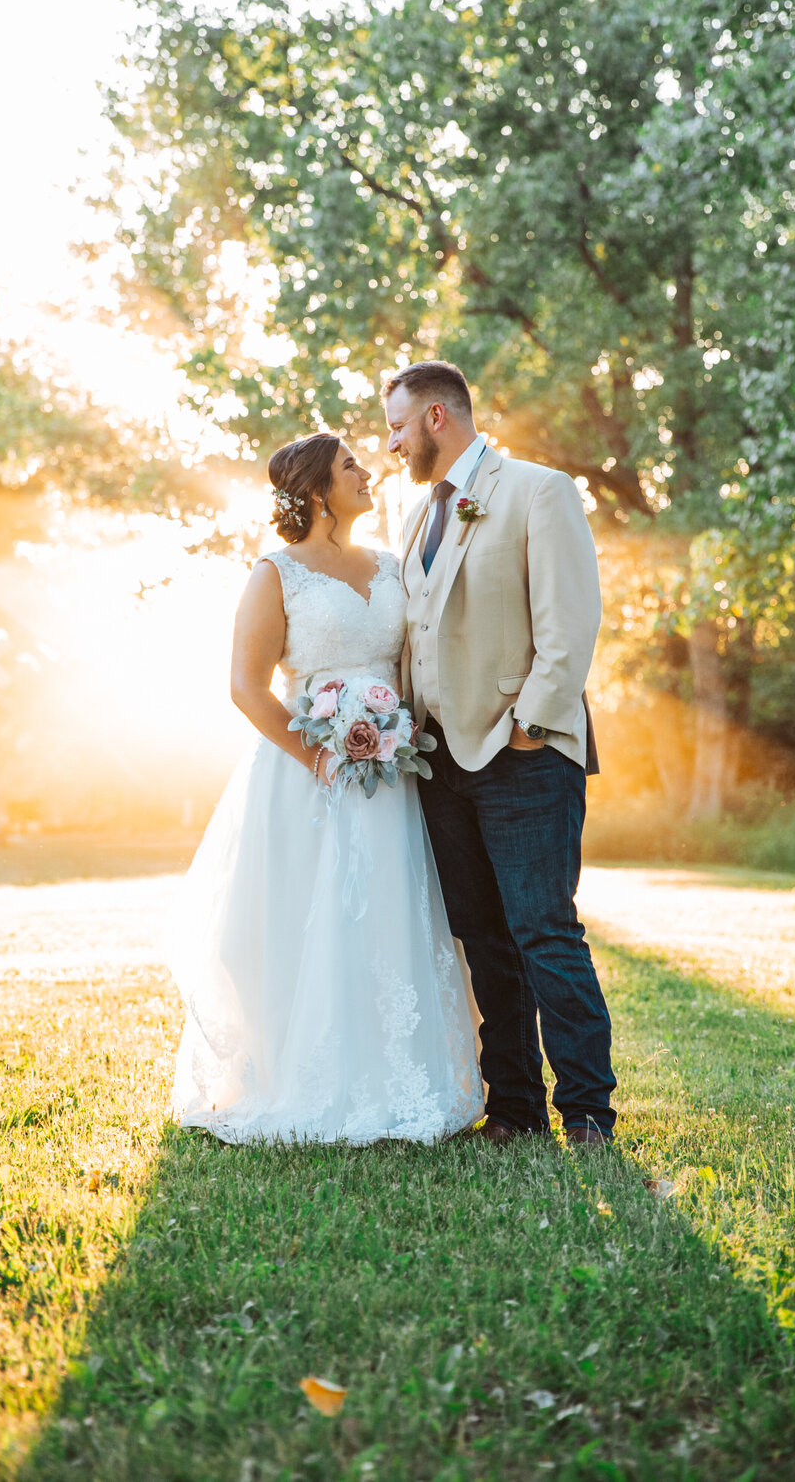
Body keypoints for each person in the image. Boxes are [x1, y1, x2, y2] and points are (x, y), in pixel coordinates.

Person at [167, 431, 483, 1144]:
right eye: (350, 466)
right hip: (305, 775)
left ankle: (402, 1075)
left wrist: (389, 732)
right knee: (307, 921)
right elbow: (246, 688)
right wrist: (319, 753)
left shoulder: (394, 565)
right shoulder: (275, 573)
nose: (368, 472)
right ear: (316, 491)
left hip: (394, 774)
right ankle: (298, 1078)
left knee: (393, 914)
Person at [384, 360, 615, 1148]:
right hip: (439, 762)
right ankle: (514, 1107)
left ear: (437, 418)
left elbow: (570, 625)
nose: (390, 442)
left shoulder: (538, 490)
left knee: (544, 930)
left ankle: (586, 1111)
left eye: (397, 425)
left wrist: (530, 727)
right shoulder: (417, 516)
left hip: (524, 755)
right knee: (483, 936)